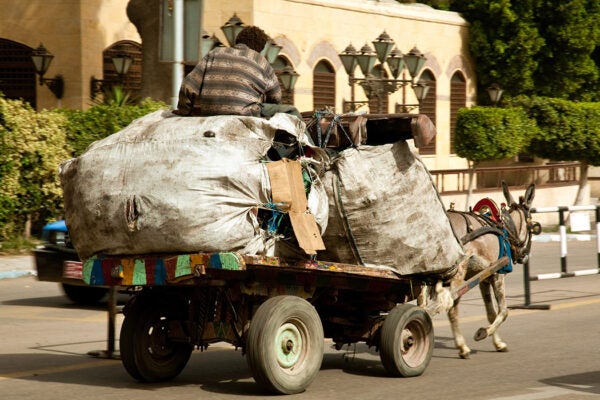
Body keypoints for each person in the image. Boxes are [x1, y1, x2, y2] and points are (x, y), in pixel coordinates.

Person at [174, 25, 283, 117]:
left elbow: (188, 86)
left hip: (209, 112)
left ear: (237, 40)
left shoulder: (214, 53)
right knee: (290, 111)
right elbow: (276, 97)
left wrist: (185, 111)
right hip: (245, 114)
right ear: (259, 48)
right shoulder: (261, 61)